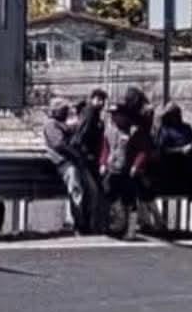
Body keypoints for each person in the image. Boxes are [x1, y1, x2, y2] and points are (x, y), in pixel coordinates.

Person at [101, 88, 156, 238]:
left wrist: (136, 166)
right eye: (112, 115)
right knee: (111, 194)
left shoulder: (134, 132)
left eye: (117, 114)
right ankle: (118, 223)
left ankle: (131, 229)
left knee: (130, 199)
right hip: (113, 169)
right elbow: (105, 148)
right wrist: (103, 163)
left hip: (128, 170)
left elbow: (142, 150)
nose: (115, 117)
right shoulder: (109, 131)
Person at [43, 97, 102, 234]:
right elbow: (59, 145)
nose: (66, 112)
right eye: (63, 110)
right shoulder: (51, 124)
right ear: (56, 111)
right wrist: (76, 154)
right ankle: (79, 223)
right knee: (76, 191)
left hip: (76, 162)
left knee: (92, 190)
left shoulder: (64, 125)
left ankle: (89, 222)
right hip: (65, 163)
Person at [153, 103, 192, 231]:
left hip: (190, 169)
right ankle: (167, 224)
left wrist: (191, 146)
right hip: (173, 169)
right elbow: (162, 149)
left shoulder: (186, 128)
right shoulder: (165, 130)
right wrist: (180, 150)